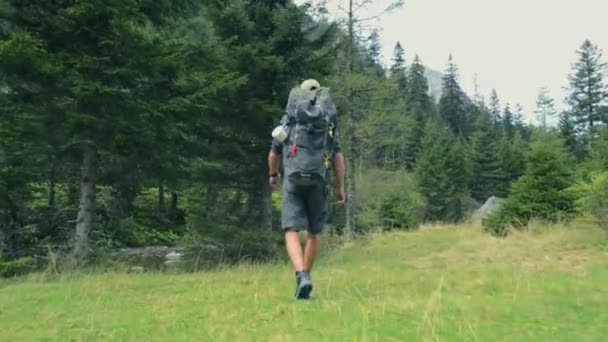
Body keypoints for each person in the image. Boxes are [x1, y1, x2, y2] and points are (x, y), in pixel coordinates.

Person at [268, 79, 345, 300]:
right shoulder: (328, 123)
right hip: (319, 179)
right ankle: (306, 278)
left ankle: (301, 275)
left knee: (291, 230)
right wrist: (340, 188)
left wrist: (273, 174)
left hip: (293, 179)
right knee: (313, 231)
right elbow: (338, 158)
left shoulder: (290, 119)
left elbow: (273, 153)